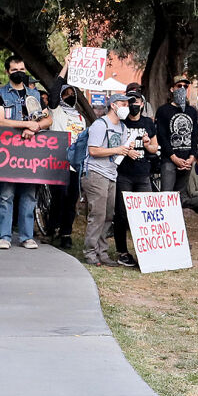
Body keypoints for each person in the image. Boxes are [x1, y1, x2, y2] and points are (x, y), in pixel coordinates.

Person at [0, 61, 51, 249]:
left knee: (29, 194)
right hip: (8, 151)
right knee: (6, 194)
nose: (19, 72)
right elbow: (0, 121)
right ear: (7, 71)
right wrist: (26, 125)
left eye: (22, 69)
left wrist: (36, 128)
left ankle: (27, 236)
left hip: (31, 151)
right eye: (14, 69)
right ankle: (5, 236)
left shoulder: (35, 94)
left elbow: (47, 119)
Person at [80, 90, 134, 267]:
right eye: (124, 104)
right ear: (113, 105)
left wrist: (130, 149)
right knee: (98, 214)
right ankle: (90, 252)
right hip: (96, 173)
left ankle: (101, 252)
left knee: (108, 215)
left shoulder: (123, 127)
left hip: (111, 174)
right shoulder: (100, 125)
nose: (127, 107)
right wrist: (117, 150)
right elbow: (93, 150)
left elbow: (122, 149)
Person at [112, 83, 158, 267]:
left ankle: (146, 251)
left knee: (145, 214)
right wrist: (126, 152)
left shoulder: (147, 123)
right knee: (122, 214)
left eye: (136, 101)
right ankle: (122, 251)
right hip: (123, 174)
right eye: (130, 101)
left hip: (143, 174)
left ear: (142, 103)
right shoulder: (121, 122)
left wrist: (147, 145)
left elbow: (155, 148)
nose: (133, 104)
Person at [47, 84, 89, 250]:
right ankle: (52, 228)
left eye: (72, 94)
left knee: (71, 200)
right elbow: (53, 94)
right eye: (66, 94)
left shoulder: (80, 118)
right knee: (59, 197)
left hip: (75, 166)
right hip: (57, 162)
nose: (70, 97)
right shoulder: (56, 112)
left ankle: (66, 233)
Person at [157, 74, 198, 192]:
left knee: (180, 195)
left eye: (185, 87)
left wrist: (192, 157)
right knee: (167, 195)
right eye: (179, 86)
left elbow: (195, 134)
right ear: (172, 89)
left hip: (187, 160)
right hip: (169, 160)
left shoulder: (191, 111)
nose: (182, 89)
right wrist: (174, 158)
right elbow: (162, 136)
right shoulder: (163, 110)